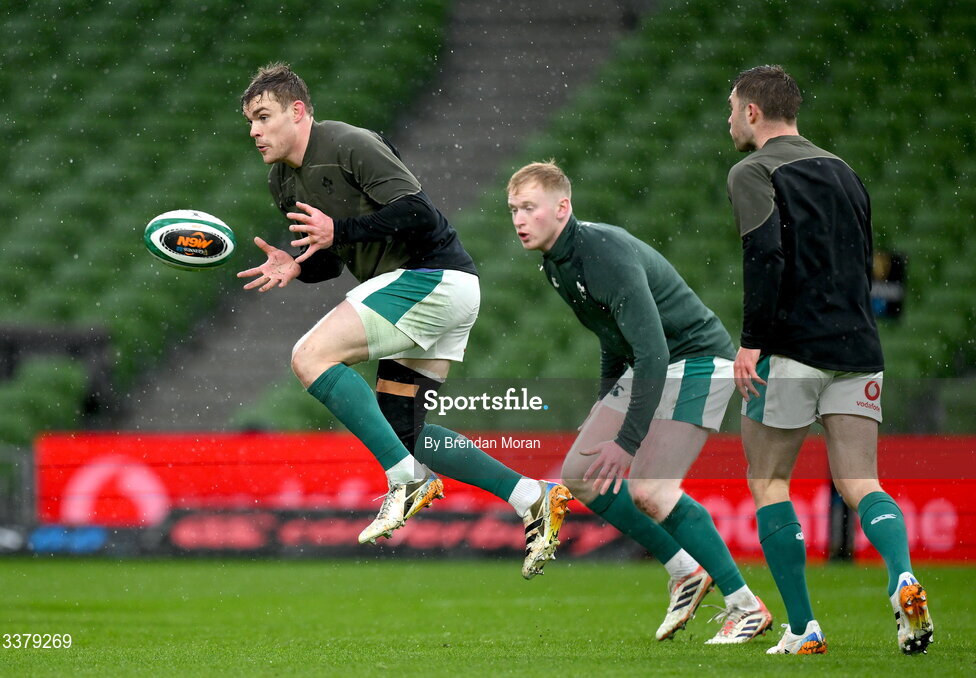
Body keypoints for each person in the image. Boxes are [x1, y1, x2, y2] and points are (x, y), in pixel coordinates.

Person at [236, 63, 572, 579]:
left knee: (309, 356)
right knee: (408, 435)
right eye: (249, 122)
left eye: (263, 116)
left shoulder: (348, 143)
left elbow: (418, 212)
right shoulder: (282, 180)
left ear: (298, 112)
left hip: (433, 278)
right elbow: (329, 256)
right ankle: (531, 496)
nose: (254, 130)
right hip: (421, 294)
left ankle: (406, 481)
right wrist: (296, 264)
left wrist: (340, 228)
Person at [506, 161, 772, 643]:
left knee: (651, 491)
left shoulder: (601, 252)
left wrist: (626, 441)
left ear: (562, 208)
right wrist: (605, 401)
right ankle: (686, 572)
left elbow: (654, 351)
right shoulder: (555, 263)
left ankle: (745, 605)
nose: (519, 220)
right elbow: (614, 338)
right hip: (649, 362)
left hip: (695, 359)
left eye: (529, 208)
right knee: (579, 476)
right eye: (513, 210)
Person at [726, 65, 934, 655]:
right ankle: (903, 576)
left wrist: (751, 343)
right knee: (859, 480)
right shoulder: (845, 171)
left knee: (768, 480)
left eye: (731, 108)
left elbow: (764, 257)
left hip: (793, 347)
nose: (729, 120)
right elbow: (862, 260)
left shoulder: (753, 170)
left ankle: (802, 628)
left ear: (751, 112)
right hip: (859, 347)